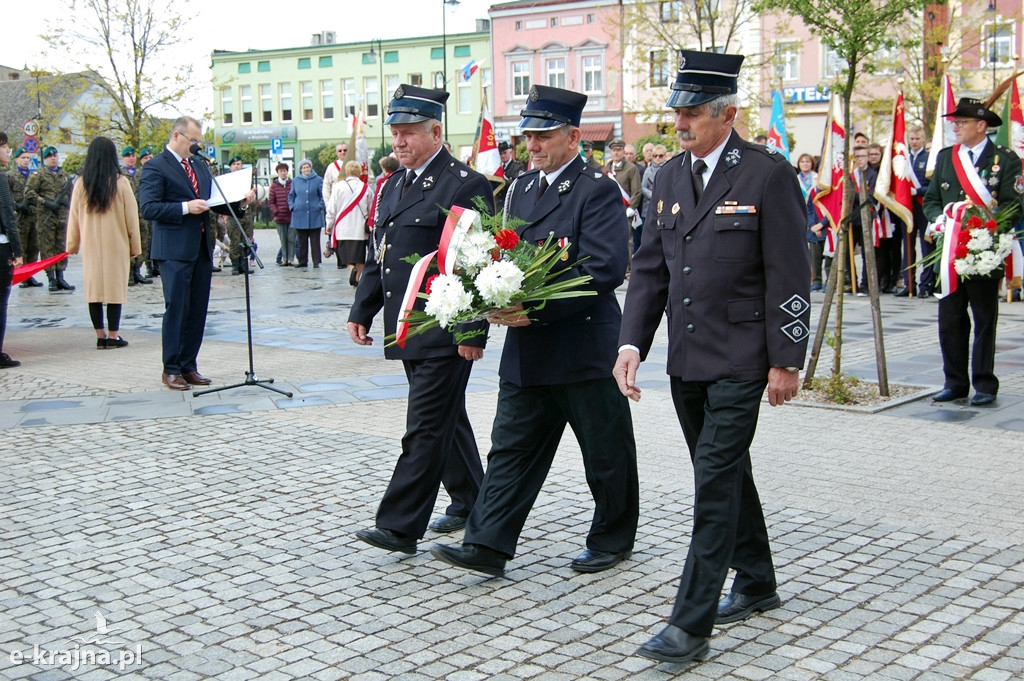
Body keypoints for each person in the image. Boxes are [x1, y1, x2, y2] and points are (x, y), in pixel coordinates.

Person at [612, 49, 810, 664]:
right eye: (677, 112)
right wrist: (630, 343)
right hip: (688, 360)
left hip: (744, 358)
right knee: (723, 469)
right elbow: (649, 270)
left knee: (714, 483)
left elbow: (790, 272)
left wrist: (787, 358)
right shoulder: (668, 176)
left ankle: (689, 625)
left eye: (692, 113)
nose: (680, 124)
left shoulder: (766, 174)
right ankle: (757, 579)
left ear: (727, 114)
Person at [430, 85, 639, 578]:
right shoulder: (521, 187)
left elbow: (606, 267)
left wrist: (537, 307)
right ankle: (487, 543)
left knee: (605, 451)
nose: (534, 145)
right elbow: (500, 260)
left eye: (543, 135)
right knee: (510, 448)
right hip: (527, 350)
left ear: (572, 136)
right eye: (528, 136)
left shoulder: (597, 188)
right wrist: (480, 312)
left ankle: (613, 538)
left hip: (583, 345)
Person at [347, 84, 493, 554]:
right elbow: (381, 253)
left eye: (408, 133)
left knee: (425, 424)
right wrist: (362, 309)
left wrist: (473, 330)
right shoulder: (395, 184)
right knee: (446, 419)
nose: (399, 142)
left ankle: (398, 525)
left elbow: (475, 262)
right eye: (395, 133)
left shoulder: (463, 183)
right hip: (407, 324)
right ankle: (472, 500)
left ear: (436, 131)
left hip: (444, 328)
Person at [139, 116, 252, 391]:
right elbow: (148, 208)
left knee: (197, 309)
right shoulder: (156, 167)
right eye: (193, 141)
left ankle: (189, 365)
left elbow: (213, 202)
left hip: (201, 248)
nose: (197, 147)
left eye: (199, 141)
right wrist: (184, 208)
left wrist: (241, 204)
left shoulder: (199, 167)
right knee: (177, 307)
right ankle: (171, 368)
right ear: (177, 136)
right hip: (174, 249)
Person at [925, 98, 1022, 407]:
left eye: (962, 122)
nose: (955, 126)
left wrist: (987, 228)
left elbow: (1015, 203)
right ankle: (954, 382)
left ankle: (984, 383)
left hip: (983, 250)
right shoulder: (945, 158)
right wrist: (941, 221)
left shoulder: (1005, 160)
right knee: (950, 319)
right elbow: (931, 199)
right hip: (950, 252)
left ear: (981, 126)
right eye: (954, 122)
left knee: (984, 319)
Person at [66, 137, 142, 349]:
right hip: (116, 245)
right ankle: (113, 335)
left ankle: (100, 336)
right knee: (114, 291)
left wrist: (72, 244)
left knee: (95, 291)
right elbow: (131, 218)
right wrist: (135, 246)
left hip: (91, 246)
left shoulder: (81, 183)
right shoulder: (121, 183)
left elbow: (73, 217)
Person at [28, 146, 75, 292]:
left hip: (62, 217)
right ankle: (52, 279)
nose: (53, 158)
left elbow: (72, 195)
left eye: (55, 156)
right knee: (47, 248)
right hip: (46, 218)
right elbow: (28, 192)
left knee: (61, 247)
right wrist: (45, 202)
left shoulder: (65, 176)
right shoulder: (38, 175)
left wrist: (68, 206)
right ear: (45, 159)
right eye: (50, 156)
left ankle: (61, 276)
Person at [0, 132, 24, 368]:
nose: (8, 151)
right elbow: (8, 216)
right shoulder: (1, 179)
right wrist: (17, 251)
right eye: (5, 146)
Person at [325, 160, 371, 282]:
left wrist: (329, 224)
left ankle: (351, 269)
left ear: (346, 171)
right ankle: (358, 279)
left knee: (344, 254)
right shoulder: (366, 188)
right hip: (360, 229)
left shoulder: (338, 186)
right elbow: (371, 209)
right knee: (359, 257)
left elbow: (331, 208)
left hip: (342, 228)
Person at [8, 148, 40, 288]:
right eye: (23, 158)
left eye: (27, 158)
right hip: (19, 217)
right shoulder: (10, 176)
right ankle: (21, 275)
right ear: (16, 160)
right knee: (21, 247)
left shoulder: (34, 175)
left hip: (33, 215)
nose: (26, 160)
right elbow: (6, 197)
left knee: (33, 246)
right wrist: (17, 206)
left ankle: (30, 275)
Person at [907, 125, 933, 298]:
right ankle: (908, 284)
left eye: (917, 139)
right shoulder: (904, 159)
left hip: (923, 207)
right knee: (908, 248)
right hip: (907, 208)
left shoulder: (929, 158)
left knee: (926, 247)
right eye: (912, 139)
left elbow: (932, 185)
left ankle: (926, 284)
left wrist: (918, 191)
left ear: (923, 139)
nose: (914, 142)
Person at [288, 159, 325, 269]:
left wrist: (320, 205)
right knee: (301, 241)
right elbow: (291, 195)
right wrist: (292, 206)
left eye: (308, 167)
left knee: (315, 240)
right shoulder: (295, 181)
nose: (306, 169)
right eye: (304, 168)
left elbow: (323, 195)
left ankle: (316, 261)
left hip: (315, 214)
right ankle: (303, 261)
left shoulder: (318, 180)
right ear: (300, 169)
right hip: (299, 214)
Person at [226, 155, 259, 275]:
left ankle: (243, 264)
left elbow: (253, 197)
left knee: (247, 240)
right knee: (235, 240)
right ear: (230, 166)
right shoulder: (227, 180)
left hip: (247, 214)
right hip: (234, 214)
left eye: (239, 164)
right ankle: (235, 264)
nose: (237, 166)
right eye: (234, 164)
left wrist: (252, 213)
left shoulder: (246, 178)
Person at [797, 153, 826, 291]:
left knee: (817, 251)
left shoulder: (817, 179)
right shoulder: (796, 179)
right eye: (802, 162)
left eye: (807, 161)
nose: (805, 164)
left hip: (816, 217)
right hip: (800, 216)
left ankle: (817, 279)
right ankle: (808, 279)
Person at [269, 162, 294, 266]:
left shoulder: (292, 183)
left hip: (292, 216)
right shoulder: (274, 186)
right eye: (281, 171)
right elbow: (271, 202)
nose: (283, 173)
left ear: (287, 172)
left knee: (291, 239)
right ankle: (285, 259)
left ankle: (291, 258)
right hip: (280, 217)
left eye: (284, 171)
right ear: (278, 173)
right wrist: (276, 211)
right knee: (283, 240)